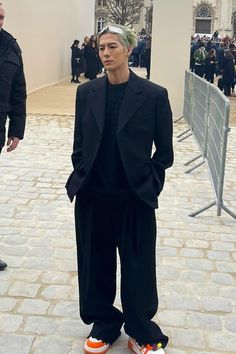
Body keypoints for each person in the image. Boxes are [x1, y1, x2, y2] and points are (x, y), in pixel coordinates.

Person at [66, 24, 173, 354]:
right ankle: (104, 322)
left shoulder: (154, 95)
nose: (106, 53)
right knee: (95, 263)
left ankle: (140, 327)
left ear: (129, 50)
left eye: (112, 47)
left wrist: (149, 182)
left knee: (138, 266)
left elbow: (165, 153)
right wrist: (82, 173)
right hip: (93, 197)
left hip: (134, 197)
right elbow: (79, 144)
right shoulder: (87, 93)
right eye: (101, 48)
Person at [0, 2, 26, 271]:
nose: (0, 20)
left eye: (2, 16)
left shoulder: (11, 46)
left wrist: (17, 128)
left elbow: (19, 88)